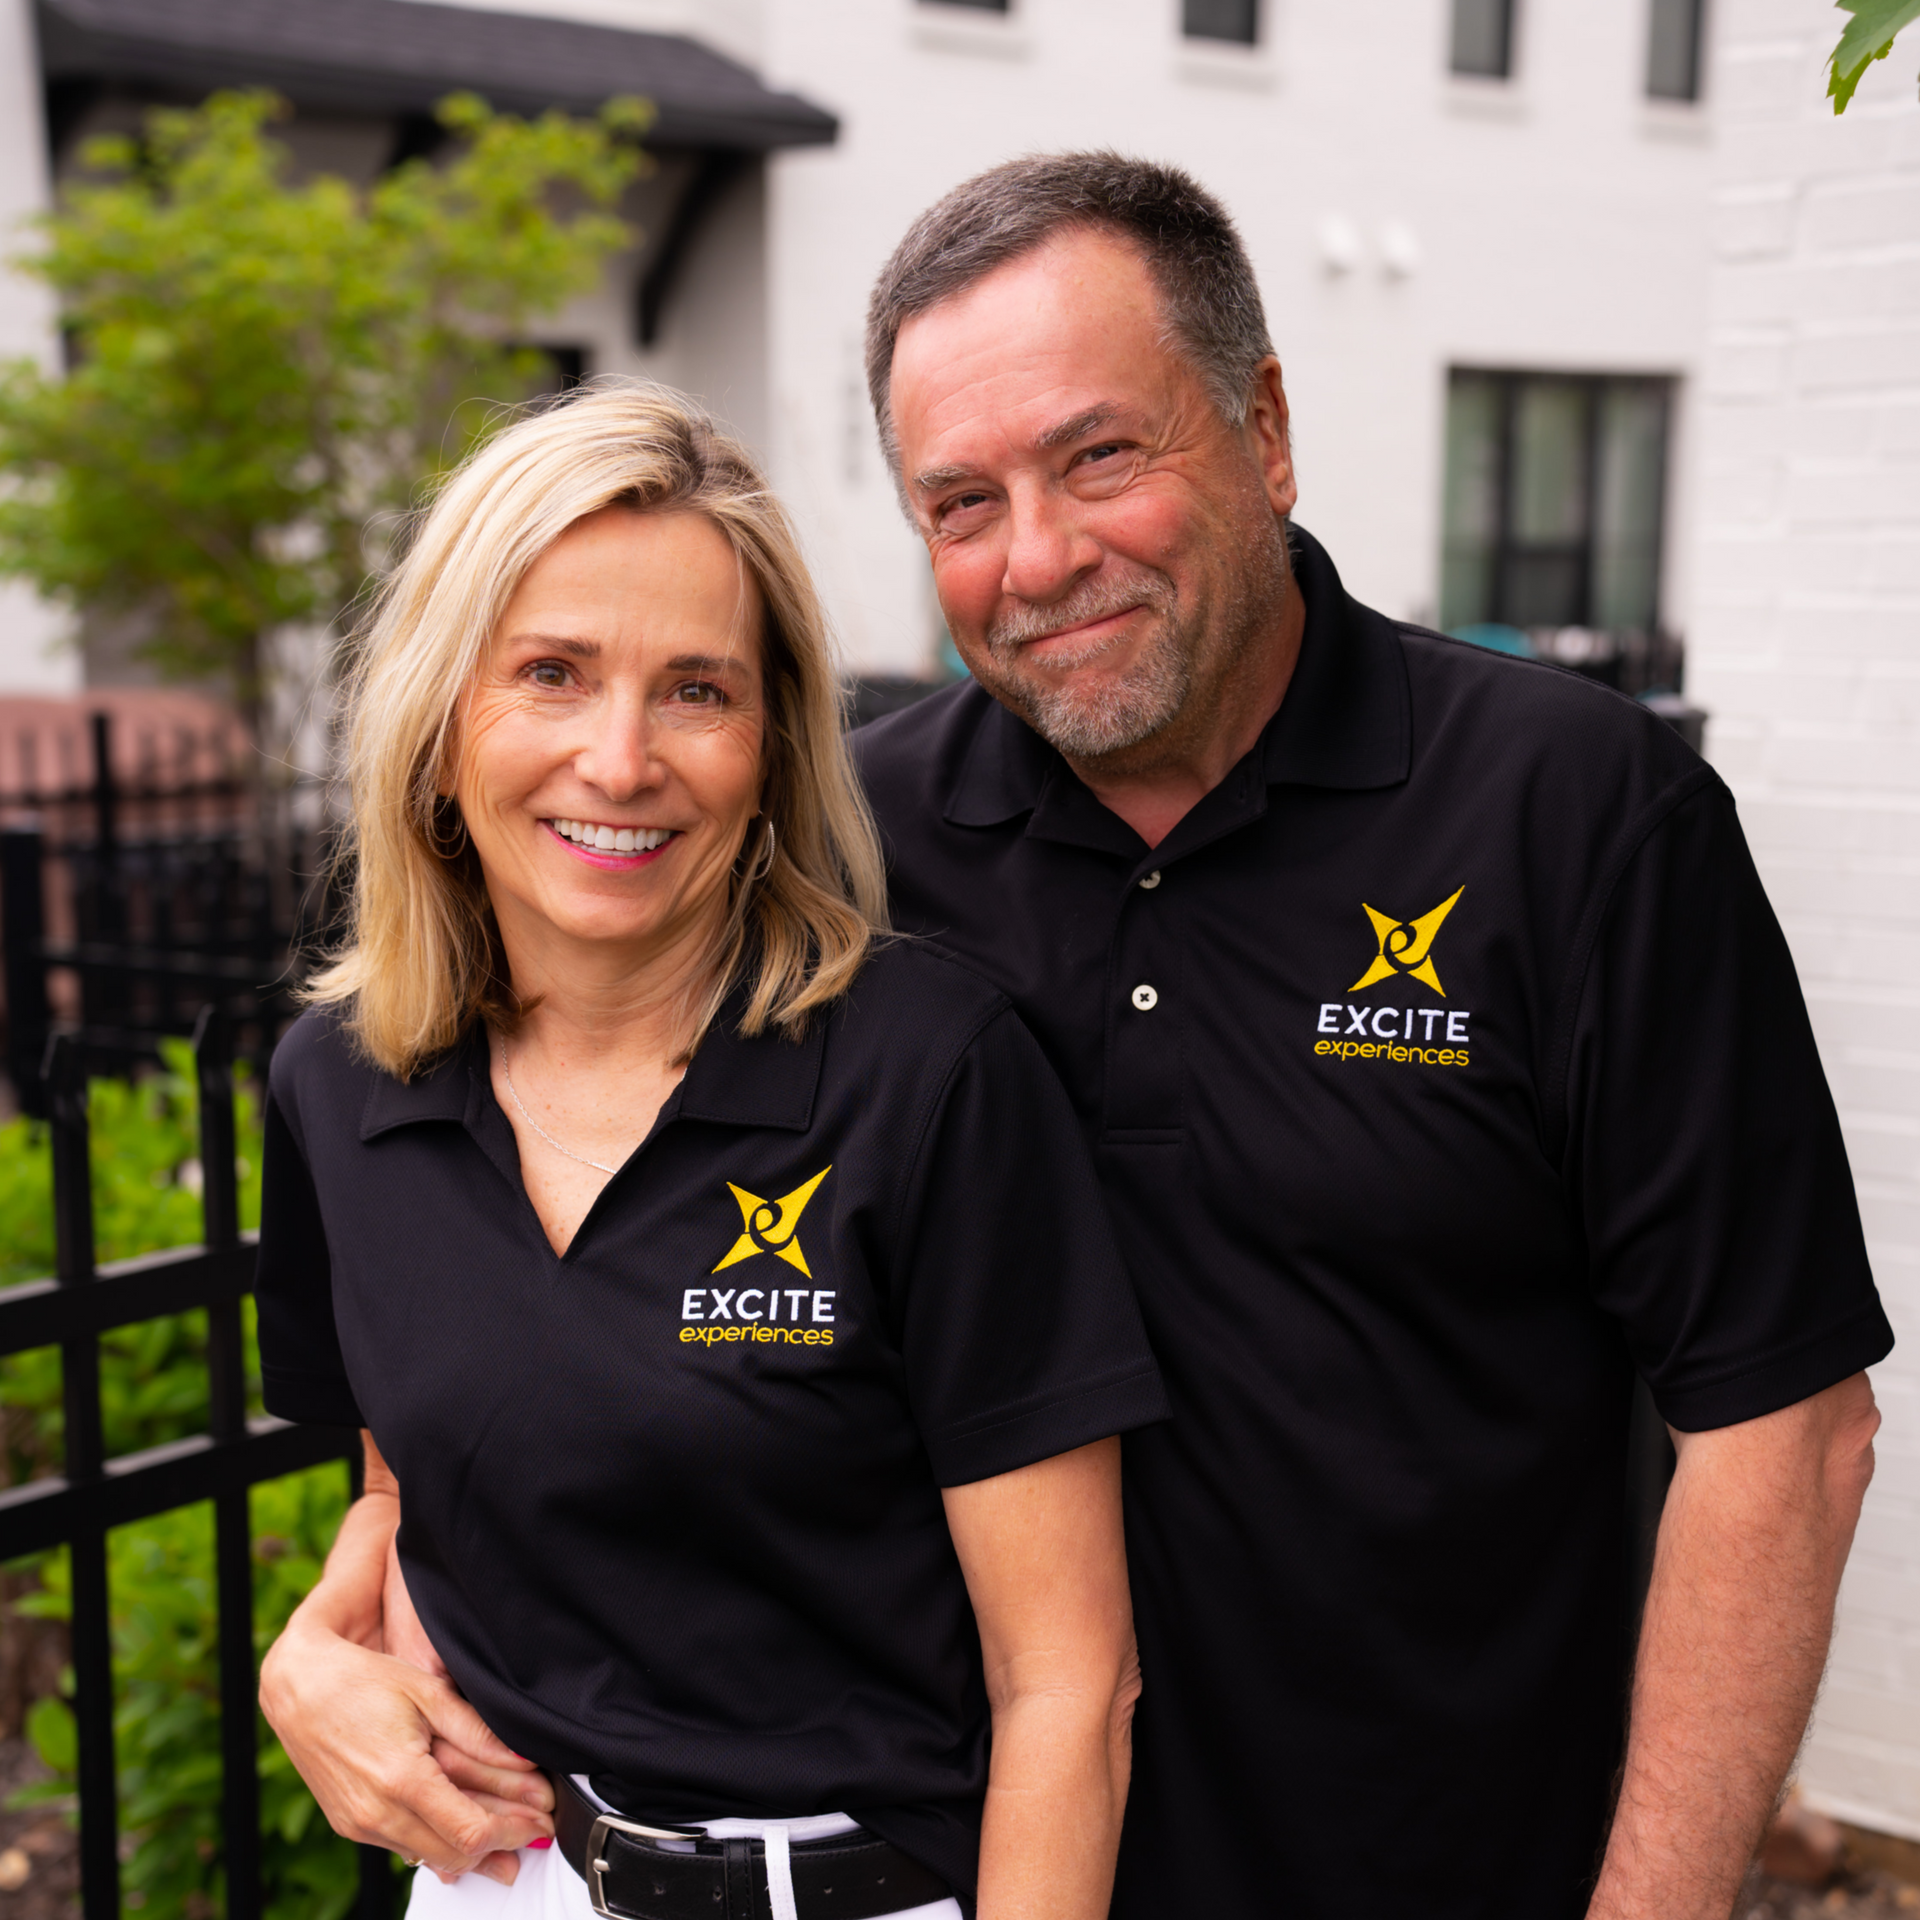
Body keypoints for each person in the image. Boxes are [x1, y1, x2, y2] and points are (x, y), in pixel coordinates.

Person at [267, 157, 1895, 1919]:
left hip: (1451, 1863)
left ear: (1265, 428)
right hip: (985, 1860)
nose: (1037, 557)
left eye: (1101, 455)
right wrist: (332, 1636)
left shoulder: (1573, 818)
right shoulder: (848, 862)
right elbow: (532, 1318)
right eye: (960, 502)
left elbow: (1783, 1439)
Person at [253, 382, 1169, 1920]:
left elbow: (1070, 1686)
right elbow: (412, 1490)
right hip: (505, 1882)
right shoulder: (341, 1086)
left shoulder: (925, 1078)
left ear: (771, 744)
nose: (621, 761)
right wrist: (310, 1665)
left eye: (696, 690)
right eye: (550, 672)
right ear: (439, 718)